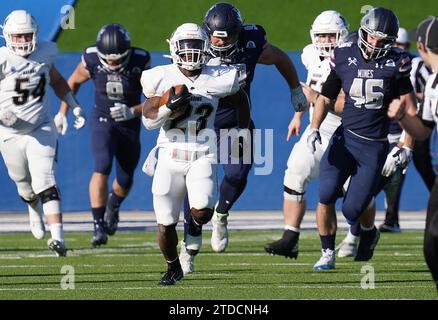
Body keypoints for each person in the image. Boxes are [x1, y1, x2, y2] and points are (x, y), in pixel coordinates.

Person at [180, 2, 307, 273]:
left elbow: (280, 58)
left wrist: (295, 89)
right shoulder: (195, 46)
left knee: (237, 175)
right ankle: (189, 244)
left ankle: (221, 215)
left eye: (228, 36)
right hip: (201, 124)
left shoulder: (250, 42)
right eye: (216, 36)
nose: (221, 42)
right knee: (194, 186)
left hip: (236, 121)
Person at [141, 22, 249, 285]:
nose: (190, 54)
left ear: (206, 48)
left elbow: (240, 99)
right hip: (169, 152)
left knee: (201, 212)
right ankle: (173, 267)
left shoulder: (221, 75)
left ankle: (194, 227)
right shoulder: (158, 76)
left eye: (195, 48)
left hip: (203, 151)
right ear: (174, 49)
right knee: (165, 222)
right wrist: (167, 107)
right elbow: (148, 118)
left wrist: (242, 129)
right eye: (185, 49)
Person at [308, 7, 417, 270]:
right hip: (344, 137)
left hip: (374, 144)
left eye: (382, 40)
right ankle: (327, 253)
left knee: (351, 210)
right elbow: (325, 97)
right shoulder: (343, 55)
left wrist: (406, 146)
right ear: (362, 33)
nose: (375, 44)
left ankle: (368, 231)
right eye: (371, 37)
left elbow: (410, 107)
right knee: (325, 194)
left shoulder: (397, 62)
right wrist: (314, 127)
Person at [56, 24, 151, 247]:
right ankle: (98, 225)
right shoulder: (91, 59)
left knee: (126, 178)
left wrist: (133, 110)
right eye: (109, 59)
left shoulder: (140, 61)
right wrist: (63, 112)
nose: (113, 64)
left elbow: (155, 98)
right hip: (103, 119)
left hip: (130, 122)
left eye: (118, 59)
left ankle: (114, 204)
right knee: (102, 165)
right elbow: (73, 82)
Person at [0, 10, 86, 256]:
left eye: (27, 35)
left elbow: (57, 81)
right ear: (7, 37)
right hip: (9, 133)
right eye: (17, 37)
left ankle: (58, 237)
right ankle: (33, 208)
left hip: (41, 128)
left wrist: (73, 105)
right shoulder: (3, 59)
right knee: (24, 185)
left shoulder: (46, 52)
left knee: (46, 180)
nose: (23, 41)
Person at [264, 10, 349, 259]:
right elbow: (311, 85)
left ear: (342, 35)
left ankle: (361, 233)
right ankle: (291, 238)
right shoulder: (310, 55)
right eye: (321, 36)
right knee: (295, 173)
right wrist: (300, 114)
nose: (325, 42)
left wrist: (317, 99)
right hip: (317, 129)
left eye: (330, 36)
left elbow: (350, 104)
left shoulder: (353, 59)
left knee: (353, 194)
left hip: (348, 132)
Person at [387, 16, 438, 291]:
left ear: (420, 46)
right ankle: (391, 217)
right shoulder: (432, 84)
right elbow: (424, 131)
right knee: (431, 244)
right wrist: (403, 117)